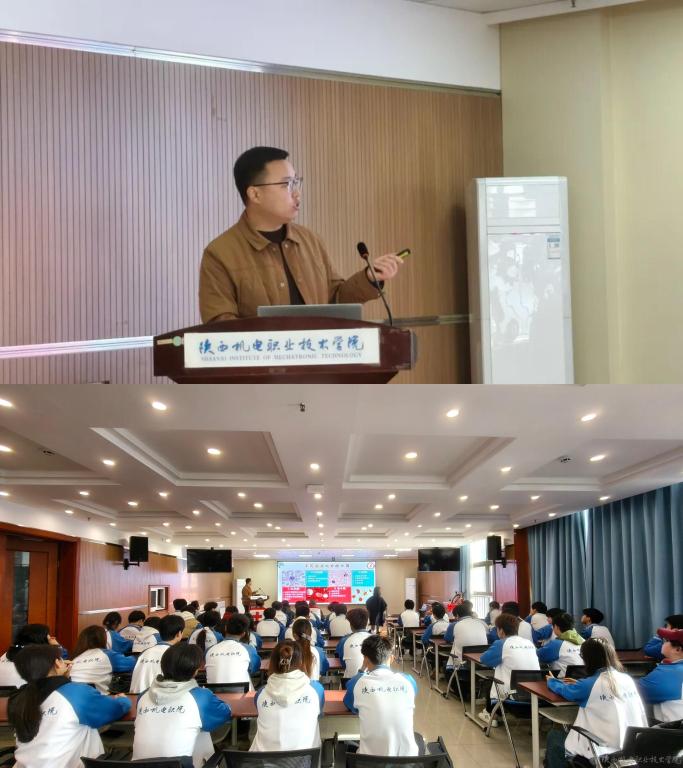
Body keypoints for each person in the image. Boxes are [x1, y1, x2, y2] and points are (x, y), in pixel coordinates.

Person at [198, 146, 404, 323]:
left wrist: (368, 279)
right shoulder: (220, 253)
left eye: (296, 182)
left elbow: (335, 301)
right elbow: (220, 327)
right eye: (286, 185)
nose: (297, 193)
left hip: (318, 356)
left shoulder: (310, 240)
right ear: (255, 194)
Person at [8, 645, 131, 768]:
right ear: (57, 663)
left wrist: (62, 679)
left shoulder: (18, 699)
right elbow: (116, 709)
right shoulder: (76, 692)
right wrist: (122, 699)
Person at [545, 638, 647, 768]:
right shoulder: (627, 679)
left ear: (588, 659)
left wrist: (552, 681)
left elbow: (566, 691)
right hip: (632, 749)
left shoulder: (588, 685)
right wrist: (580, 684)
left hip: (601, 752)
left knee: (554, 737)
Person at [132, 642, 231, 768]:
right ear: (195, 671)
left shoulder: (144, 695)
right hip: (179, 765)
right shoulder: (200, 697)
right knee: (202, 730)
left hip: (137, 765)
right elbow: (225, 713)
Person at [344, 634, 422, 756]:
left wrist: (361, 670)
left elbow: (350, 705)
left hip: (370, 762)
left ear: (365, 659)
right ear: (391, 658)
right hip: (408, 761)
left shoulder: (357, 683)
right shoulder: (408, 681)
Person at [250, 640, 324, 751]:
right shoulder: (316, 690)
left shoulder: (261, 693)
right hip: (305, 759)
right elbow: (319, 714)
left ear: (273, 662)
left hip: (264, 759)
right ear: (301, 662)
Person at [478, 613, 540, 727]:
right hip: (535, 697)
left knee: (491, 680)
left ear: (501, 631)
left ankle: (492, 715)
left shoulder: (501, 643)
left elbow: (483, 660)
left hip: (513, 700)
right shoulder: (529, 643)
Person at [69, 625, 136, 693]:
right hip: (95, 697)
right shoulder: (108, 655)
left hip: (71, 694)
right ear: (102, 639)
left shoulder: (75, 658)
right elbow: (134, 663)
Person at [637, 627, 683, 721]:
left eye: (666, 641)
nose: (662, 643)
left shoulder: (670, 673)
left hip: (672, 729)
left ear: (678, 649)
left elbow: (632, 691)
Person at [130, 614, 184, 694]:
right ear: (179, 634)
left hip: (134, 697)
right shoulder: (177, 655)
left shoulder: (144, 653)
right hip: (157, 698)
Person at [0, 624, 66, 688]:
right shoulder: (38, 662)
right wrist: (57, 646)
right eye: (47, 636)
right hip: (26, 693)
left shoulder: (10, 653)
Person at [205, 615, 260, 687]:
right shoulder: (249, 649)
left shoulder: (209, 649)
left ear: (225, 628)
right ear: (243, 633)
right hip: (241, 692)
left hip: (213, 692)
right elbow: (253, 669)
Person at [536, 612, 584, 678]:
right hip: (583, 680)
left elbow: (537, 655)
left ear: (556, 626)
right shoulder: (584, 641)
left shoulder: (557, 644)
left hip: (562, 681)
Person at [444, 603, 489, 671]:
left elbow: (448, 638)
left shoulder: (455, 624)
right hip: (480, 661)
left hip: (462, 662)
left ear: (457, 615)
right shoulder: (480, 623)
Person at [336, 608, 372, 686]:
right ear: (367, 623)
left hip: (350, 682)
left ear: (350, 625)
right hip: (373, 683)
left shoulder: (344, 640)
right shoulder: (377, 639)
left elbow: (343, 663)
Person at [291, 618, 329, 682]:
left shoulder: (288, 651)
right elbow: (324, 669)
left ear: (294, 635)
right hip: (314, 686)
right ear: (310, 634)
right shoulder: (319, 651)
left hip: (293, 686)